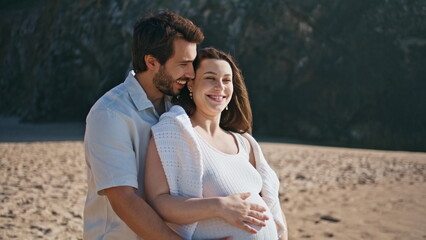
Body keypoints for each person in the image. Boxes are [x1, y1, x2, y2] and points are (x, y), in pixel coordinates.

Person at [83, 11, 268, 239]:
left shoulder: (177, 105)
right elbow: (124, 200)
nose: (191, 73)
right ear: (151, 62)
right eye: (183, 64)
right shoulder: (111, 114)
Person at [144, 47, 288, 240]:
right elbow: (158, 201)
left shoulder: (244, 142)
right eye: (210, 78)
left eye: (226, 80)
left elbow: (272, 206)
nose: (220, 86)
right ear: (191, 84)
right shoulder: (173, 133)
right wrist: (219, 207)